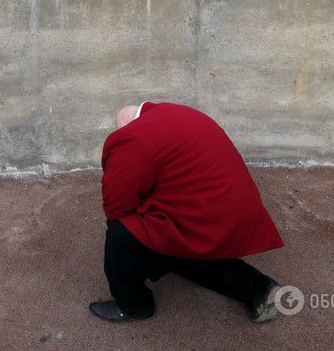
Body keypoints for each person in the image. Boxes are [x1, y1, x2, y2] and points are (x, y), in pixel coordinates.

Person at [89, 102, 284, 323]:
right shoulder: (176, 113)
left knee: (121, 234)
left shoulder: (133, 137)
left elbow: (117, 203)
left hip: (203, 216)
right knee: (181, 249)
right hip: (235, 211)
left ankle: (133, 305)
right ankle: (258, 288)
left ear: (124, 127)